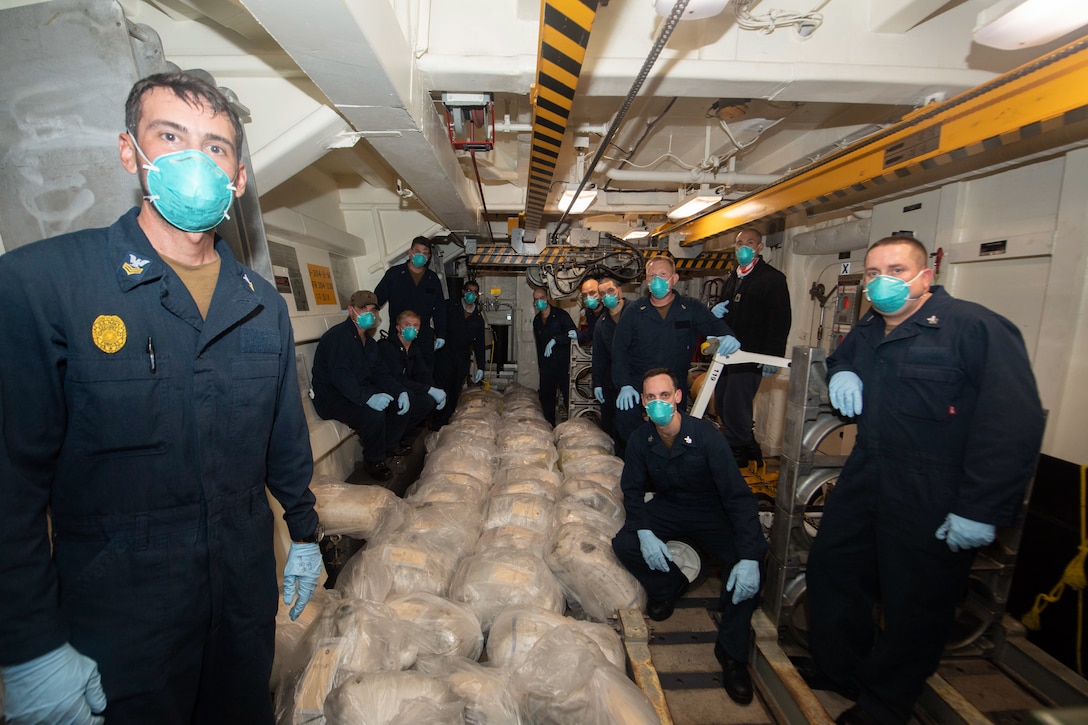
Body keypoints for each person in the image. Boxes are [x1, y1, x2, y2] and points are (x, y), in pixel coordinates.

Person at [0, 72, 322, 724]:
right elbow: (10, 486)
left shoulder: (261, 305)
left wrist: (307, 531)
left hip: (239, 604)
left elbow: (284, 441)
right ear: (131, 152)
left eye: (216, 147)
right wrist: (30, 646)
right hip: (121, 618)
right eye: (171, 137)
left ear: (237, 176)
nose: (195, 162)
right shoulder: (46, 285)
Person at [805, 235, 1046, 725]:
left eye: (895, 269)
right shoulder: (871, 327)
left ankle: (884, 705)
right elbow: (844, 358)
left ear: (925, 276)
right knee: (834, 573)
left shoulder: (974, 328)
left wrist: (981, 507)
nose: (881, 282)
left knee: (915, 604)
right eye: (873, 273)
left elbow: (1011, 422)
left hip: (933, 489)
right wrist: (843, 371)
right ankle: (843, 668)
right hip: (868, 472)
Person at [612, 368, 767, 705]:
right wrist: (643, 531)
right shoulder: (641, 440)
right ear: (642, 401)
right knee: (624, 544)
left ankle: (732, 653)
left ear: (678, 397)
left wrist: (751, 555)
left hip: (712, 511)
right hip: (669, 506)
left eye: (664, 396)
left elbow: (737, 498)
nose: (658, 404)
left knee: (746, 566)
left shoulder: (708, 438)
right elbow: (632, 491)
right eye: (650, 397)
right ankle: (669, 585)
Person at [611, 254, 740, 443]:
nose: (657, 280)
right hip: (638, 384)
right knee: (629, 432)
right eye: (652, 275)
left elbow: (715, 327)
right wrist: (624, 385)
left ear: (674, 278)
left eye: (663, 274)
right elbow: (619, 350)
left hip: (674, 383)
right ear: (646, 280)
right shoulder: (633, 312)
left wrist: (729, 337)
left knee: (674, 438)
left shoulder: (691, 308)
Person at [311, 290, 414, 482]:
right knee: (372, 414)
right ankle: (374, 460)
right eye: (362, 309)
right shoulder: (337, 338)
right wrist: (367, 398)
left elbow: (381, 373)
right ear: (351, 310)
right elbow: (340, 377)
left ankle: (389, 444)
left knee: (399, 402)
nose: (368, 314)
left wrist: (400, 391)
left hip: (357, 390)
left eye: (372, 310)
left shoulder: (370, 343)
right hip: (332, 397)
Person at [711, 227, 792, 467]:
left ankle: (738, 452)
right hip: (728, 354)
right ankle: (747, 444)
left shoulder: (772, 278)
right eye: (739, 243)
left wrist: (772, 356)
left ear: (759, 248)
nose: (743, 247)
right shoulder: (734, 277)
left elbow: (781, 320)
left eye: (749, 243)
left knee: (737, 402)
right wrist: (717, 316)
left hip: (751, 354)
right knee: (723, 399)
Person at [375, 236, 448, 364]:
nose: (421, 256)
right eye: (417, 251)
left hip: (423, 335)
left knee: (424, 373)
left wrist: (441, 334)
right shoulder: (394, 274)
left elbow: (440, 309)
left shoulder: (432, 278)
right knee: (397, 371)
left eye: (425, 253)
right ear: (410, 253)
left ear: (429, 257)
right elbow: (377, 300)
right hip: (398, 334)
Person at [377, 309, 446, 434]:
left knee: (427, 402)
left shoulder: (414, 349)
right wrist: (428, 389)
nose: (411, 328)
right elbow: (397, 378)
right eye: (407, 325)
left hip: (404, 387)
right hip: (388, 389)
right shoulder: (388, 347)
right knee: (410, 396)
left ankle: (400, 434)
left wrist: (435, 390)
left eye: (415, 325)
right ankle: (388, 442)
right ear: (398, 328)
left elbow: (423, 374)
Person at [431, 279, 488, 429]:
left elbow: (479, 344)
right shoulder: (449, 306)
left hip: (461, 359)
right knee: (441, 389)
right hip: (444, 355)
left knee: (455, 391)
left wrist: (481, 366)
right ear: (463, 291)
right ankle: (435, 423)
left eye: (474, 292)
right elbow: (438, 320)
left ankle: (446, 422)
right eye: (469, 290)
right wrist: (440, 336)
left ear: (477, 295)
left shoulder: (477, 318)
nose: (471, 294)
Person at [590, 272, 631, 449]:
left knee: (630, 427)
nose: (607, 295)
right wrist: (597, 383)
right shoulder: (602, 323)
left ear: (619, 291)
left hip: (634, 380)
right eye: (603, 293)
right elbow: (598, 356)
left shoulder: (635, 313)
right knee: (610, 424)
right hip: (611, 382)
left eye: (610, 290)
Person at [531, 286, 577, 427]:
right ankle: (549, 425)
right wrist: (541, 365)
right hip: (547, 366)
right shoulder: (537, 320)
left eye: (542, 298)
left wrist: (556, 339)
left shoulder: (561, 315)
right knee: (546, 396)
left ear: (548, 298)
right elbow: (539, 345)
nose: (539, 302)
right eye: (536, 299)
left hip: (563, 364)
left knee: (568, 395)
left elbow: (573, 334)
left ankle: (573, 425)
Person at [573, 275, 603, 346]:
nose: (588, 297)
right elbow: (592, 332)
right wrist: (578, 335)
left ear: (601, 293)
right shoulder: (589, 312)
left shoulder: (609, 311)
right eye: (584, 295)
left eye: (592, 293)